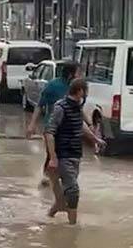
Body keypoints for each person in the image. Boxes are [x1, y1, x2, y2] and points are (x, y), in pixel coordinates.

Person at [44, 78, 105, 225]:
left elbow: (80, 126)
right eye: (85, 92)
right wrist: (53, 158)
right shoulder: (61, 107)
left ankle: (49, 217)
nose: (85, 95)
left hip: (75, 154)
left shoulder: (77, 107)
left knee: (67, 192)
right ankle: (72, 229)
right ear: (80, 91)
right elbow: (49, 132)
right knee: (73, 191)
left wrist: (95, 139)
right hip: (63, 155)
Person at [31, 61, 79, 186]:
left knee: (67, 156)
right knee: (52, 153)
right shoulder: (53, 86)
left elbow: (78, 109)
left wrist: (89, 124)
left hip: (69, 128)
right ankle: (47, 177)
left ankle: (63, 181)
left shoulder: (76, 88)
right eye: (78, 73)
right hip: (52, 127)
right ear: (70, 75)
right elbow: (40, 105)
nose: (80, 75)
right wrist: (32, 124)